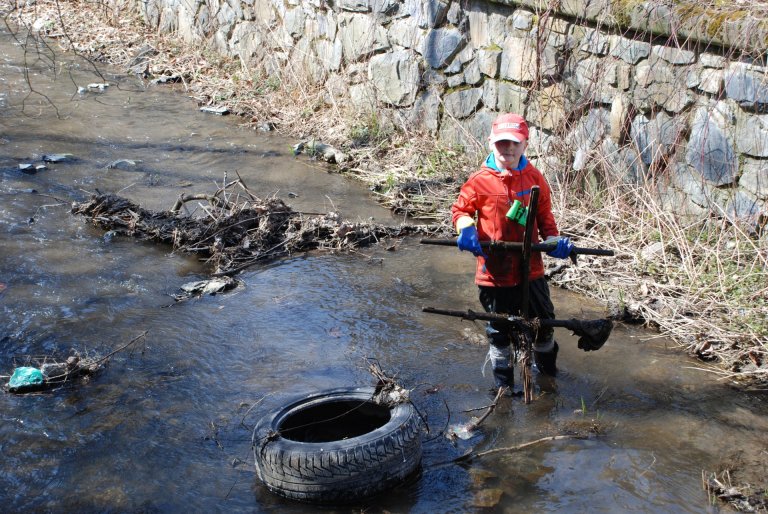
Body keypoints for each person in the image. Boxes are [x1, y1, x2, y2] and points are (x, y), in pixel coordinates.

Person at [450, 113, 573, 391]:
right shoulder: (479, 180)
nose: (508, 149)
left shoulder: (534, 178)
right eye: (502, 143)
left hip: (531, 270)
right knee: (499, 331)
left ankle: (548, 379)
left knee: (543, 324)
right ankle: (504, 390)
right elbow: (461, 210)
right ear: (491, 142)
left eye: (514, 143)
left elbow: (545, 218)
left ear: (525, 144)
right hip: (493, 272)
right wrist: (466, 227)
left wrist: (555, 242)